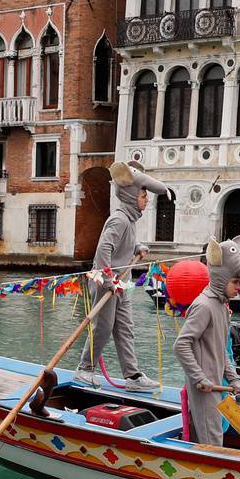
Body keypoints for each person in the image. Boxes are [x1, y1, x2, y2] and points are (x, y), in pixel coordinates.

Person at [78, 160, 168, 390]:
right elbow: (103, 250)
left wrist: (136, 246)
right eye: (143, 195)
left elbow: (122, 244)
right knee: (103, 327)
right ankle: (84, 369)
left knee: (126, 328)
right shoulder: (119, 219)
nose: (146, 199)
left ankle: (133, 376)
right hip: (107, 284)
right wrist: (107, 280)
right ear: (130, 196)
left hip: (122, 283)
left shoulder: (129, 219)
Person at [174, 236, 240, 447]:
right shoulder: (204, 306)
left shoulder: (222, 306)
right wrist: (199, 378)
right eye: (235, 282)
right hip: (206, 388)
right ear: (221, 278)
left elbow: (221, 349)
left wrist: (234, 380)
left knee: (215, 435)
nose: (239, 288)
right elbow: (181, 345)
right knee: (211, 441)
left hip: (217, 385)